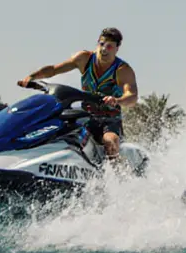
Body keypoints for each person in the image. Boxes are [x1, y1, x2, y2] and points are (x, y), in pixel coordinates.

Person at [18, 27, 138, 169]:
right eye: (101, 44)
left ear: (117, 49)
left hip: (109, 119)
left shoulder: (122, 70)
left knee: (110, 140)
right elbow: (54, 69)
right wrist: (32, 77)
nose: (104, 49)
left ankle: (114, 176)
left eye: (109, 46)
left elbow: (132, 96)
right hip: (86, 116)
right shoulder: (84, 59)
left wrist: (117, 100)